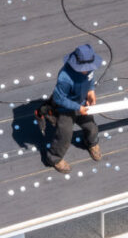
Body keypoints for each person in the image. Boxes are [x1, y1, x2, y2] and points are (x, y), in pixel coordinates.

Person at [43, 43, 103, 173]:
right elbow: (59, 99)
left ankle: (91, 143)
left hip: (81, 103)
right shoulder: (65, 78)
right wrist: (77, 107)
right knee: (64, 135)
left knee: (91, 127)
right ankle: (54, 158)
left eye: (89, 67)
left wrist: (91, 91)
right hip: (65, 108)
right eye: (84, 68)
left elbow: (90, 80)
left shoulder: (89, 69)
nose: (87, 70)